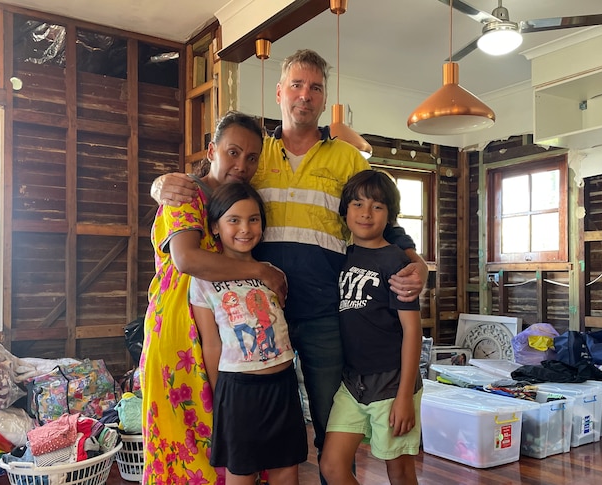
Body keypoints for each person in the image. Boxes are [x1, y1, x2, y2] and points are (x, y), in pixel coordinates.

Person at [151, 49, 428, 478]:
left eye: (315, 88)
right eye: (296, 85)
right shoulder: (257, 159)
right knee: (255, 426)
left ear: (324, 98)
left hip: (324, 315)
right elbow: (209, 186)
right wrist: (160, 184)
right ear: (280, 93)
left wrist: (418, 263)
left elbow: (381, 219)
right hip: (258, 316)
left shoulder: (348, 160)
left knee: (330, 425)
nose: (305, 95)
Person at [140, 111, 287, 484]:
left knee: (234, 442)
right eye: (233, 152)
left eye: (252, 157)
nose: (241, 165)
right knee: (186, 437)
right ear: (212, 150)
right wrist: (261, 270)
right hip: (179, 331)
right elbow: (187, 258)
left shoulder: (239, 199)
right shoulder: (186, 194)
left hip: (230, 333)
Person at [189, 182, 307, 485]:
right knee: (241, 473)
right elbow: (211, 344)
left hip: (282, 386)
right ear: (215, 226)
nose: (245, 228)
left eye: (253, 219)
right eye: (234, 220)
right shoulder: (202, 281)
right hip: (238, 390)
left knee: (286, 470)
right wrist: (220, 398)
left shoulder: (271, 272)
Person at [320, 169, 422, 485]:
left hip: (392, 382)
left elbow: (413, 331)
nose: (366, 213)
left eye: (377, 206)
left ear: (389, 215)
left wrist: (405, 395)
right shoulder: (340, 256)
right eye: (357, 204)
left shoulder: (395, 261)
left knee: (399, 470)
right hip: (351, 382)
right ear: (345, 210)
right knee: (332, 466)